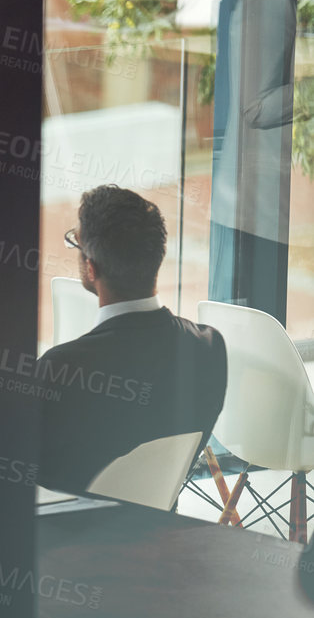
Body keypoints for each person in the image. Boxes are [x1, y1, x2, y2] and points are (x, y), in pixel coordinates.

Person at [36, 186, 227, 494]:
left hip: (68, 533)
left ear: (90, 267)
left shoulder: (59, 369)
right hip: (157, 527)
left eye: (76, 242)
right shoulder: (209, 347)